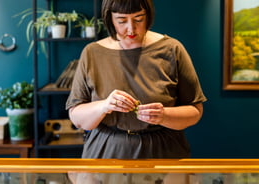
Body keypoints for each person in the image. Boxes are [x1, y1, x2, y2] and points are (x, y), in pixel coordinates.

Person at [66, 0, 207, 159]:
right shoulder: (92, 53)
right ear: (109, 18)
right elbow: (77, 118)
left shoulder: (172, 49)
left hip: (164, 151)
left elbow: (195, 111)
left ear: (148, 16)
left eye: (139, 19)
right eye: (122, 21)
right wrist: (104, 106)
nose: (131, 28)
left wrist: (164, 115)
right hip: (106, 151)